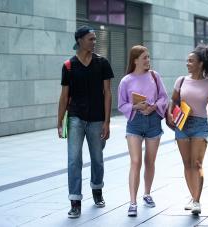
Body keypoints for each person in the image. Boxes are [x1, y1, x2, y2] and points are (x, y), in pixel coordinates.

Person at [57, 25, 114, 218]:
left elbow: (107, 93)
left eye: (95, 39)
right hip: (75, 118)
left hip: (97, 118)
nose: (94, 42)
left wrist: (107, 122)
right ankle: (75, 201)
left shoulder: (102, 63)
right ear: (80, 40)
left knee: (97, 159)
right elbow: (64, 96)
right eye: (91, 39)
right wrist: (59, 121)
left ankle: (97, 190)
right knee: (74, 160)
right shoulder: (68, 66)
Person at [166, 44, 208, 215]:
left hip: (199, 125)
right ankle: (192, 197)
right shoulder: (181, 81)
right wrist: (169, 115)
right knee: (187, 164)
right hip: (182, 124)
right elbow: (173, 101)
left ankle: (197, 200)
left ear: (201, 64)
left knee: (197, 164)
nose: (187, 63)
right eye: (187, 61)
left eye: (191, 61)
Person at [118, 45, 169, 217]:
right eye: (145, 57)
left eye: (148, 57)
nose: (148, 60)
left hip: (154, 121)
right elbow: (121, 104)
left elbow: (164, 97)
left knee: (150, 161)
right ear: (135, 60)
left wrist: (154, 106)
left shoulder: (155, 76)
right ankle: (132, 203)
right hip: (135, 122)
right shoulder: (126, 81)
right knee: (135, 161)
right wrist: (135, 106)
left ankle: (147, 194)